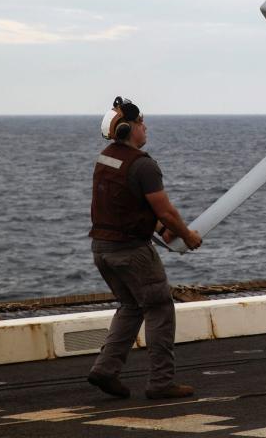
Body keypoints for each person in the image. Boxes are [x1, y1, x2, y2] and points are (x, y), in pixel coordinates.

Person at [87, 96, 203, 400]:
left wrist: (163, 230)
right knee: (159, 308)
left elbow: (127, 205)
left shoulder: (105, 158)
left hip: (102, 250)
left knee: (131, 306)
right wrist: (187, 236)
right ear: (128, 129)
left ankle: (105, 370)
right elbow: (165, 211)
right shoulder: (143, 165)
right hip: (131, 251)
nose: (145, 127)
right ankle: (161, 382)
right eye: (141, 122)